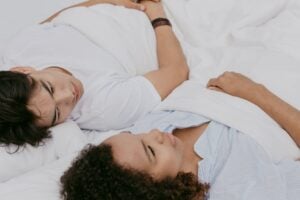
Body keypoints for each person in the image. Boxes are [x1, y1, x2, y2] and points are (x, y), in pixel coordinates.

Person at [60, 72, 300, 200]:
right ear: (153, 193)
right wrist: (254, 92)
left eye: (136, 134)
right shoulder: (239, 187)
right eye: (150, 151)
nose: (157, 134)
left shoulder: (137, 144)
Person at [0, 0, 189, 147]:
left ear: (23, 70)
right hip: (162, 18)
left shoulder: (17, 50)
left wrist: (104, 1)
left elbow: (57, 20)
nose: (68, 95)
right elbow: (176, 70)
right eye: (58, 113)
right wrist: (156, 13)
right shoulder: (104, 108)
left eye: (50, 88)